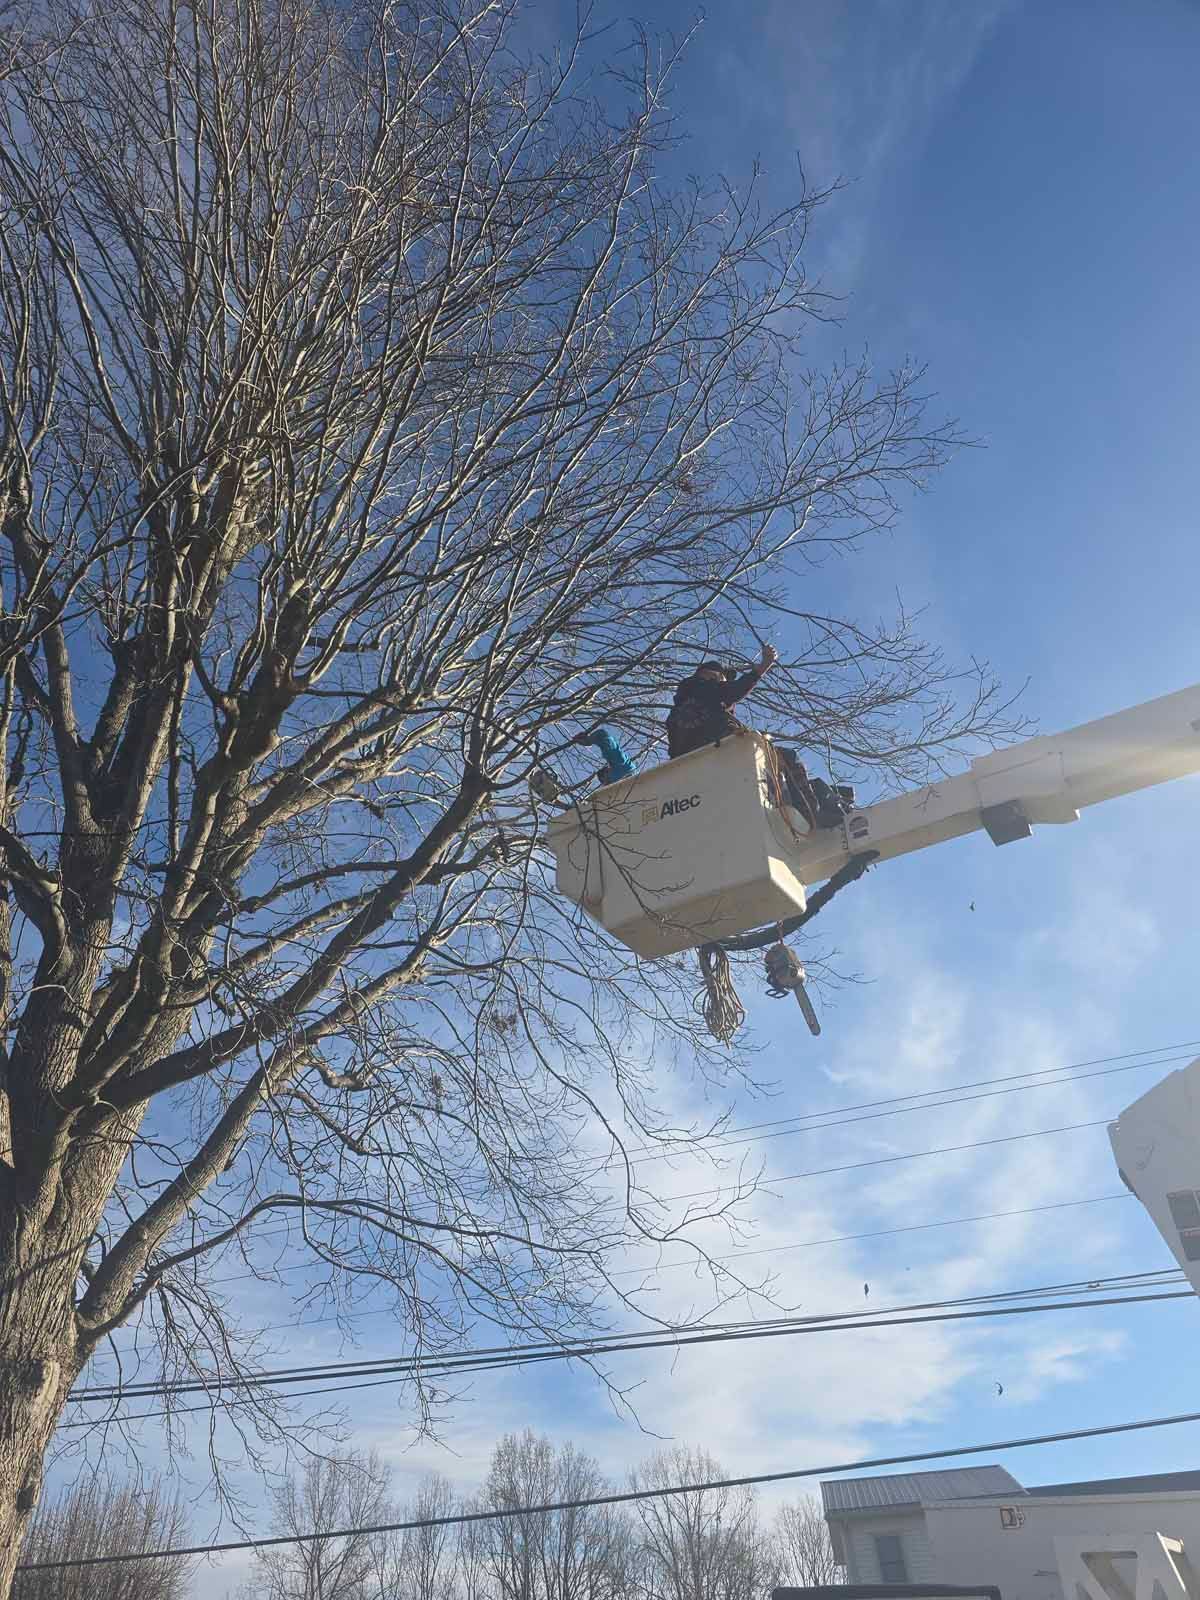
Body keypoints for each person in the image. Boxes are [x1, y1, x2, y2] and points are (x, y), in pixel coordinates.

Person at [666, 644, 852, 830]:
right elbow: (734, 691)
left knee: (773, 777)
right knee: (787, 758)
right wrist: (764, 665)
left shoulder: (680, 709)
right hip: (723, 754)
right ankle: (812, 813)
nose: (724, 683)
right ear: (708, 674)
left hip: (696, 768)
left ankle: (813, 802)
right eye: (722, 679)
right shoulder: (703, 688)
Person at [571, 726, 637, 785]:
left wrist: (588, 740)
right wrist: (589, 740)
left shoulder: (618, 762)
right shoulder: (618, 761)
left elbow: (603, 735)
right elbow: (603, 735)